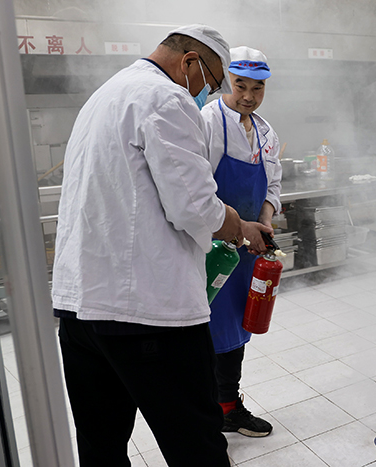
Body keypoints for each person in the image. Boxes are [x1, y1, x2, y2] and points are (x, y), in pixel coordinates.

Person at [51, 25, 265, 467]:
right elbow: (195, 207)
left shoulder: (105, 95)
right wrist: (240, 226)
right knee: (196, 444)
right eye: (213, 82)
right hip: (147, 315)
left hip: (80, 311)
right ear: (190, 62)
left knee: (101, 445)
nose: (208, 94)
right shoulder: (167, 98)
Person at [201, 46, 281, 438]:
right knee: (208, 333)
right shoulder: (209, 121)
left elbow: (273, 184)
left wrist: (263, 220)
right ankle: (208, 414)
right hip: (211, 251)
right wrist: (237, 226)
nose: (248, 96)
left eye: (257, 88)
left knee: (238, 328)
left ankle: (228, 407)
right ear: (227, 82)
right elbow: (196, 190)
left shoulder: (266, 133)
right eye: (240, 85)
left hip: (247, 252)